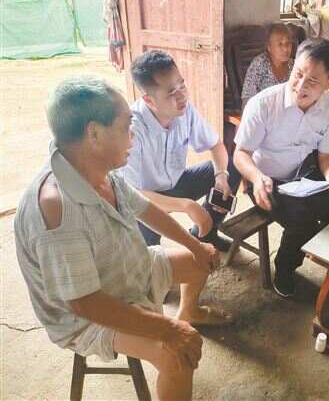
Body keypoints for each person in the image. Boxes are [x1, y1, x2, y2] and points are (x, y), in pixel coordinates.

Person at [14, 77, 232, 401]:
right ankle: (176, 327)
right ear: (94, 134)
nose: (133, 135)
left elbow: (145, 209)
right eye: (127, 126)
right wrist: (167, 329)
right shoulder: (57, 210)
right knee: (177, 355)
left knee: (202, 261)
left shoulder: (95, 167)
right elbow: (84, 303)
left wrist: (195, 246)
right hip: (86, 315)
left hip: (125, 267)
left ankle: (188, 311)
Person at [233, 38, 329, 298]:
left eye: (312, 81)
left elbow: (326, 157)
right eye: (297, 74)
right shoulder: (264, 104)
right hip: (265, 181)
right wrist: (256, 178)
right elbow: (240, 154)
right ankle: (285, 270)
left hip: (304, 175)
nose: (300, 85)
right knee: (303, 224)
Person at [121, 50, 241, 251]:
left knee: (231, 166)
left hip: (176, 182)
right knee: (149, 251)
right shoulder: (132, 128)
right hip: (146, 196)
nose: (182, 96)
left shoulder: (184, 109)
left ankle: (206, 234)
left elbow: (215, 144)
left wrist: (221, 176)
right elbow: (130, 194)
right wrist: (186, 205)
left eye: (182, 85)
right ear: (149, 100)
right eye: (171, 93)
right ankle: (153, 252)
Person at [241, 22, 294, 108]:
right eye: (280, 44)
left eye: (288, 43)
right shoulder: (260, 64)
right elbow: (247, 98)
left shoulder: (294, 66)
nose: (285, 49)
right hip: (262, 112)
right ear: (269, 47)